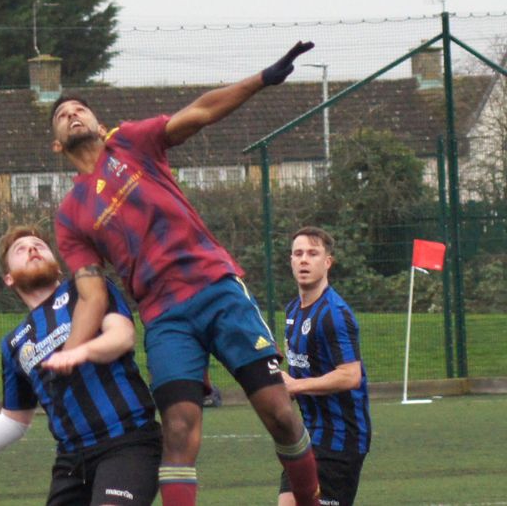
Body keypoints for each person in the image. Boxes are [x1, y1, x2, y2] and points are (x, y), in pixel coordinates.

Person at [44, 42, 321, 506]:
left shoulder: (131, 142)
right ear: (56, 143)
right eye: (62, 115)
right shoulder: (71, 216)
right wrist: (70, 354)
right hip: (166, 319)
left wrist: (261, 79)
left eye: (80, 109)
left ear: (98, 123)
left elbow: (198, 114)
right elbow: (90, 295)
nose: (73, 115)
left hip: (218, 291)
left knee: (279, 413)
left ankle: (310, 502)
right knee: (177, 431)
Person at [0, 225, 162, 506]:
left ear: (58, 267)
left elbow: (122, 336)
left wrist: (82, 351)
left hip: (128, 443)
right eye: (20, 250)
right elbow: (13, 421)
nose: (32, 249)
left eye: (39, 245)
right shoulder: (14, 344)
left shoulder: (87, 291)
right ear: (8, 278)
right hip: (72, 461)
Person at [279, 226, 371, 506]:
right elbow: (299, 369)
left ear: (327, 262)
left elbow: (350, 375)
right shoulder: (293, 310)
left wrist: (296, 385)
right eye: (298, 253)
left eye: (312, 253)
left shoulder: (335, 314)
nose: (304, 260)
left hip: (340, 440)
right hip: (307, 438)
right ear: (291, 261)